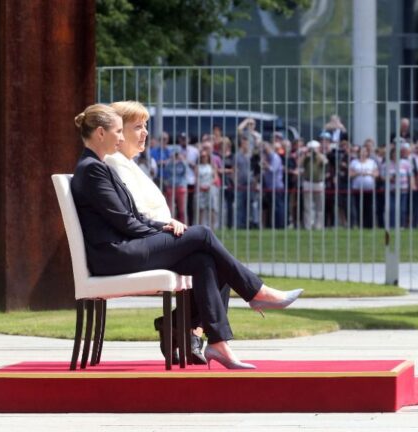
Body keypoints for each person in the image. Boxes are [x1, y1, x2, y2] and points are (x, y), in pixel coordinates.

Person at [71, 104, 303, 369]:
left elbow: (131, 215)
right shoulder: (93, 168)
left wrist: (165, 231)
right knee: (202, 234)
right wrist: (163, 232)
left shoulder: (98, 166)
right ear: (101, 133)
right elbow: (125, 222)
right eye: (118, 132)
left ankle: (218, 343)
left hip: (124, 248)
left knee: (205, 260)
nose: (122, 138)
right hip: (115, 254)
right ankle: (256, 292)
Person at [105, 101, 205, 364]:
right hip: (144, 242)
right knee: (207, 245)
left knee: (210, 261)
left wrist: (169, 222)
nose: (145, 133)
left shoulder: (130, 163)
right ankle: (197, 330)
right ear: (118, 131)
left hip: (157, 236)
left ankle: (187, 329)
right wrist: (168, 225)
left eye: (145, 126)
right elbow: (136, 214)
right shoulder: (115, 164)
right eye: (137, 127)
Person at [299, 140, 328, 229]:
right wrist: (305, 155)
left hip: (319, 183)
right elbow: (299, 164)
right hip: (308, 182)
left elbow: (325, 162)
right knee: (307, 206)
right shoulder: (306, 158)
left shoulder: (321, 157)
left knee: (320, 206)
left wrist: (317, 153)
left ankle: (318, 225)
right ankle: (308, 225)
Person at [349, 145, 379, 228]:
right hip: (357, 189)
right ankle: (360, 224)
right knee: (359, 207)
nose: (363, 153)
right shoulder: (354, 162)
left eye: (365, 151)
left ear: (367, 153)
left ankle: (369, 225)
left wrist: (368, 173)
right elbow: (350, 174)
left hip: (369, 190)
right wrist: (359, 173)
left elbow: (376, 174)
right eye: (361, 151)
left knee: (369, 207)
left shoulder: (372, 162)